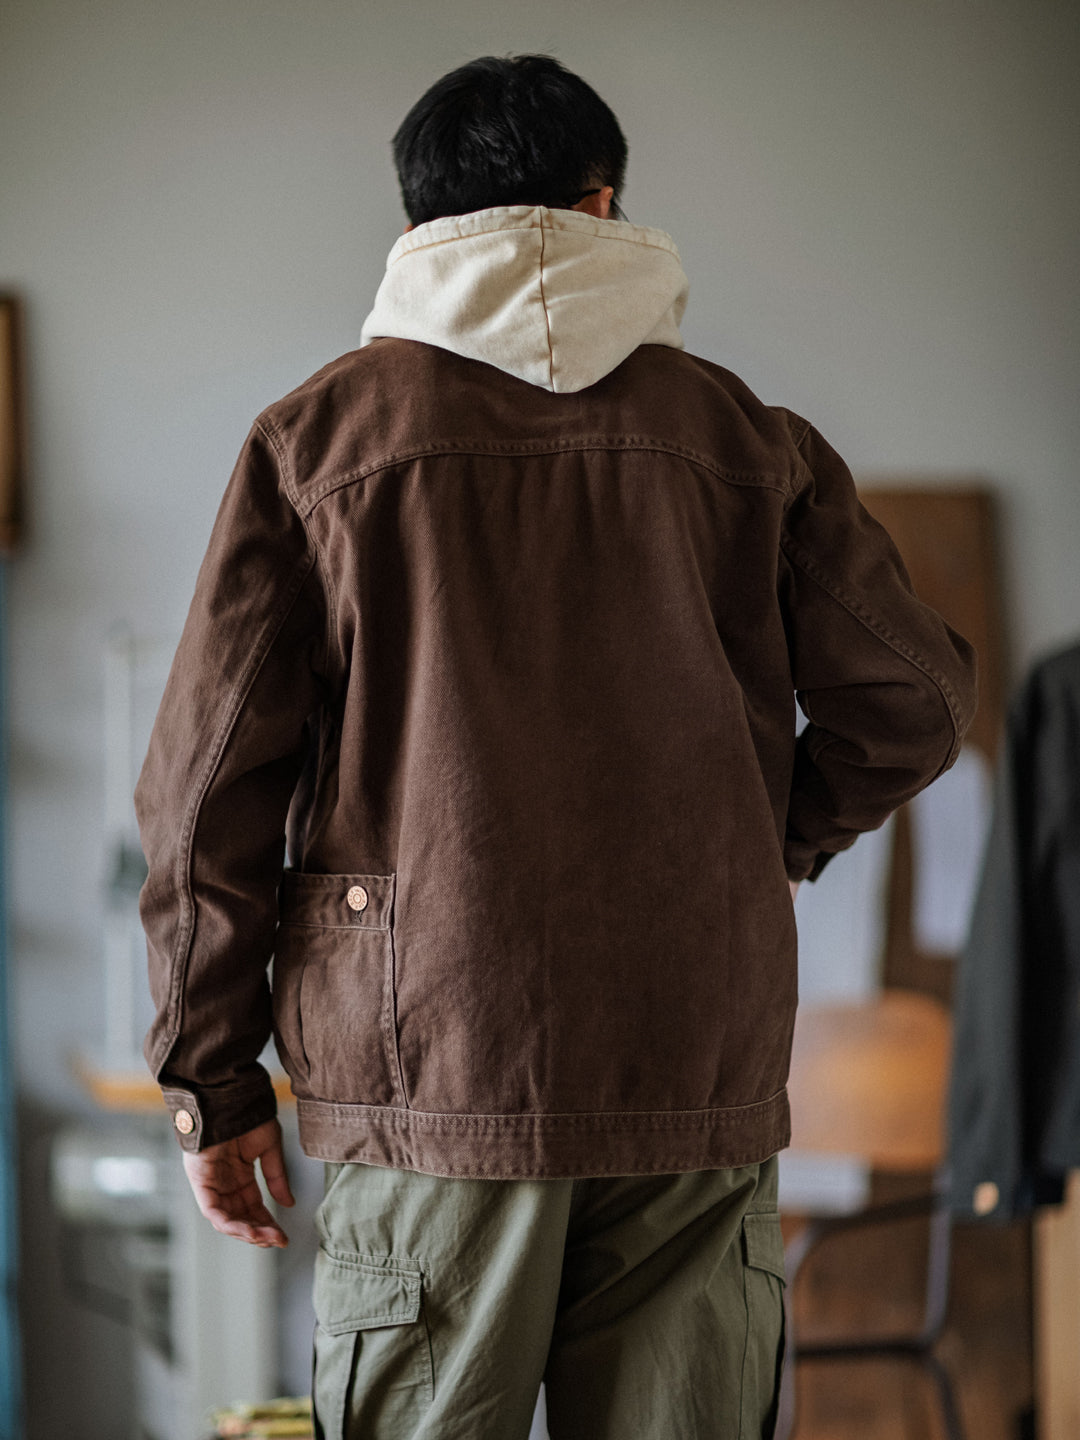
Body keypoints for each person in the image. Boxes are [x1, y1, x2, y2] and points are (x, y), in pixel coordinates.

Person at [136, 54, 978, 1440]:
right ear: (602, 207)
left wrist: (209, 1086)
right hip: (691, 1062)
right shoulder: (748, 442)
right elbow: (920, 705)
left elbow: (202, 793)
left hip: (429, 1068)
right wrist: (776, 837)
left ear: (419, 227)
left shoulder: (318, 443)